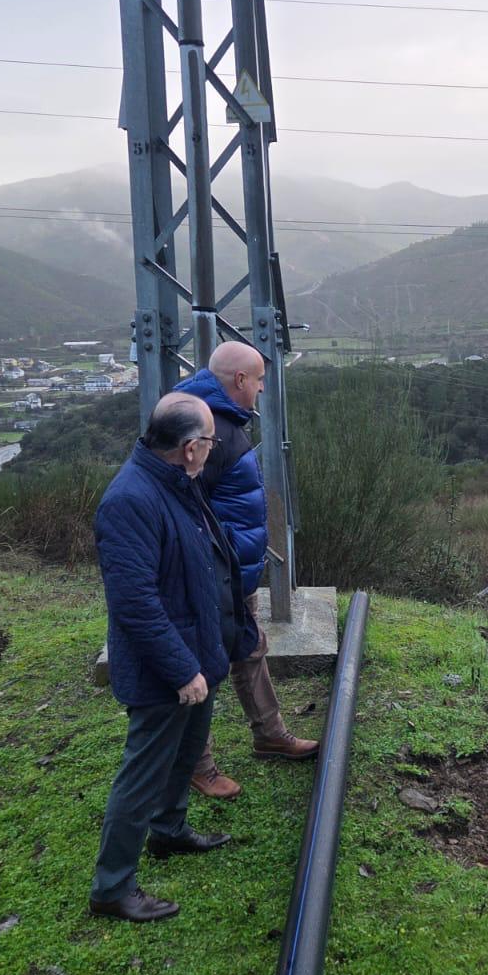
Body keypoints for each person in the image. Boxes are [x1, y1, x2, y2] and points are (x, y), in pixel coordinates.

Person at [87, 392, 256, 923]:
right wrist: (182, 670)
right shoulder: (130, 502)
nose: (212, 449)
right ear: (188, 448)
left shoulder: (176, 482)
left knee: (184, 755)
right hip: (166, 671)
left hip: (199, 654)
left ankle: (169, 831)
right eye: (209, 441)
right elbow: (134, 603)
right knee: (142, 774)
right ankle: (112, 888)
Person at [174, 341, 319, 800]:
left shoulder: (221, 420)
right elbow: (182, 509)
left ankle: (270, 734)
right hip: (210, 576)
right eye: (258, 380)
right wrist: (209, 566)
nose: (261, 389)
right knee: (203, 664)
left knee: (250, 647)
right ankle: (198, 765)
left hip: (233, 571)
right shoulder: (203, 428)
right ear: (240, 380)